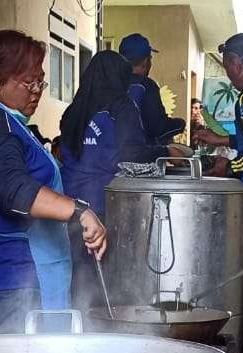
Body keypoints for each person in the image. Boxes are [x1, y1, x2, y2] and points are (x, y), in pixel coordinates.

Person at [0, 29, 108, 333]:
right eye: (28, 82)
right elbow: (16, 192)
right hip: (13, 276)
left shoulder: (13, 124)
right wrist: (80, 211)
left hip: (28, 272)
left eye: (40, 81)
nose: (37, 90)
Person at [60, 50, 186, 308]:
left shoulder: (74, 111)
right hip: (105, 207)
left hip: (70, 207)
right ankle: (105, 332)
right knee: (107, 283)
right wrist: (166, 152)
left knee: (79, 281)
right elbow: (133, 153)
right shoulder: (120, 106)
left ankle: (80, 329)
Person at [119, 33, 186, 144]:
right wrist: (180, 124)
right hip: (141, 156)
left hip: (109, 157)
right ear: (145, 61)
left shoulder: (110, 83)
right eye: (150, 58)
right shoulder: (147, 86)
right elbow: (159, 128)